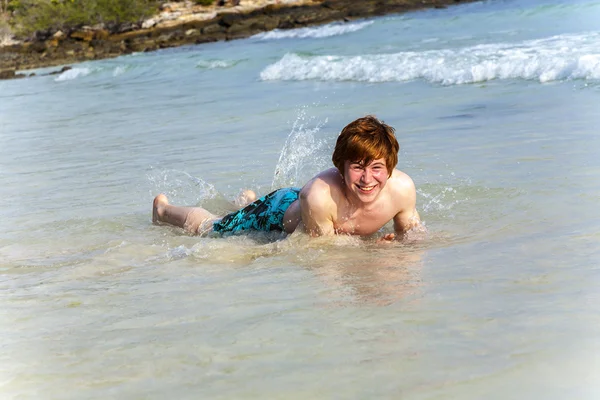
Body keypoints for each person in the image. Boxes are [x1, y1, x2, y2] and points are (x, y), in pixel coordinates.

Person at [152, 115, 424, 241]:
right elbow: (324, 253)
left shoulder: (402, 189)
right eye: (357, 167)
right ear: (340, 167)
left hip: (300, 203)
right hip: (277, 211)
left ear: (390, 168)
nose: (367, 179)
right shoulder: (319, 197)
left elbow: (414, 235)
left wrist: (401, 245)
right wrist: (374, 250)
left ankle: (247, 200)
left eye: (376, 168)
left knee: (243, 210)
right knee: (214, 229)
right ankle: (163, 210)